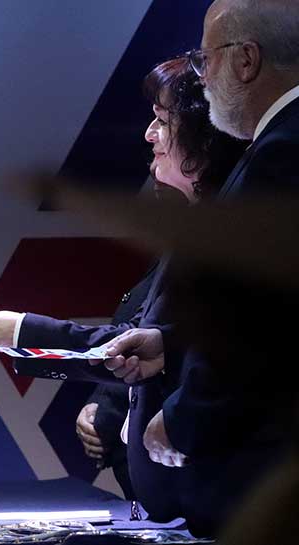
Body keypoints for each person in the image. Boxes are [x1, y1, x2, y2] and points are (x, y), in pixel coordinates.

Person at [0, 56, 247, 521]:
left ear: (204, 133)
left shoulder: (227, 240)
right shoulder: (193, 233)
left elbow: (204, 355)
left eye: (163, 120)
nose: (149, 135)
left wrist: (23, 332)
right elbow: (150, 341)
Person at [99, 0, 299, 535]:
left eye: (205, 58)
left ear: (246, 60)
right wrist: (170, 344)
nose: (202, 75)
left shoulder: (285, 149)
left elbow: (260, 320)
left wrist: (185, 418)